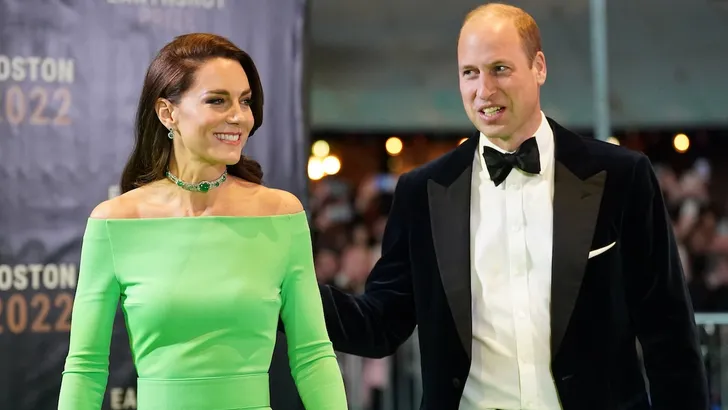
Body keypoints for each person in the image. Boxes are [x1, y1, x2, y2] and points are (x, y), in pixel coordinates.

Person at [316, 3, 709, 410]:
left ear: (539, 67)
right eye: (470, 73)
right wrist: (291, 294)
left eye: (499, 69)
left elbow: (669, 333)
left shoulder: (622, 177)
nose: (484, 90)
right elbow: (380, 322)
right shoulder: (422, 192)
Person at [58, 33, 347, 410]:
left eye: (245, 101)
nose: (239, 116)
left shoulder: (281, 214)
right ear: (168, 113)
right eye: (217, 100)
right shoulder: (115, 222)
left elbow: (313, 356)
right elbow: (85, 369)